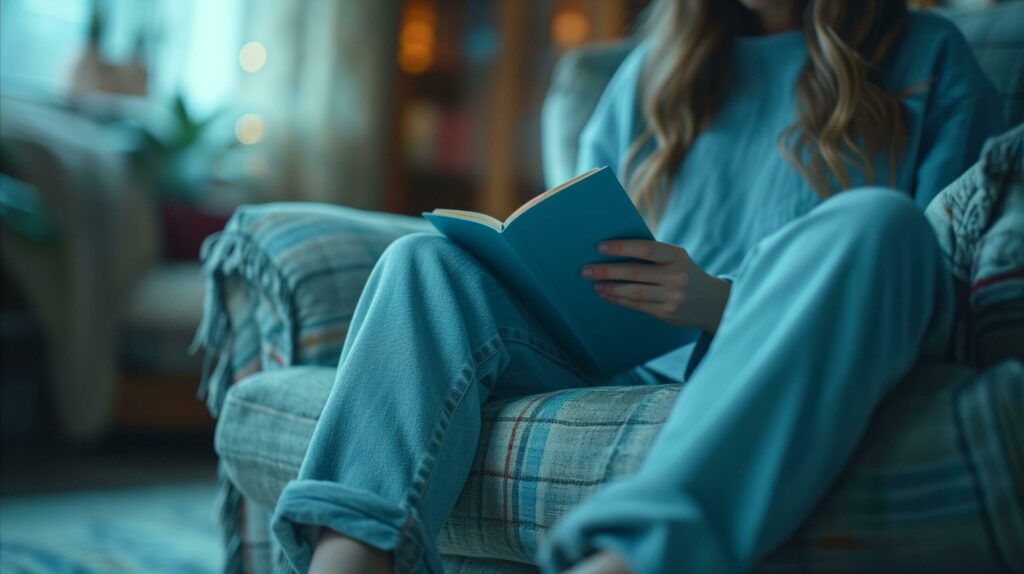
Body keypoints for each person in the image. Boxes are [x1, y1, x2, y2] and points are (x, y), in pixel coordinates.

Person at [272, 1, 1006, 572]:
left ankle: (632, 558)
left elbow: (932, 276)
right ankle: (351, 558)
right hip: (617, 354)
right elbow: (577, 235)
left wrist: (719, 301)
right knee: (422, 263)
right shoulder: (654, 72)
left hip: (779, 349)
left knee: (876, 222)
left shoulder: (931, 56)